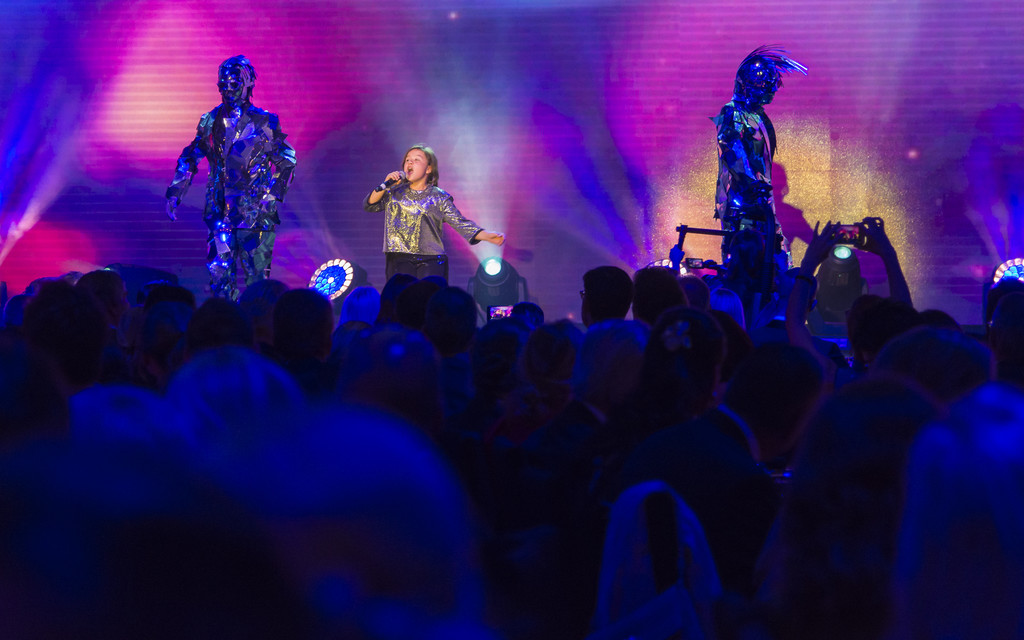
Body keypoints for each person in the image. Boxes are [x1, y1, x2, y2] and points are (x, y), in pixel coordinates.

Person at [165, 55, 297, 301]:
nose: (227, 90)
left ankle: (257, 323)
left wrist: (271, 196)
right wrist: (176, 192)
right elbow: (190, 156)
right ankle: (225, 322)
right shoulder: (210, 121)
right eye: (222, 85)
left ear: (247, 84)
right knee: (220, 279)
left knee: (258, 284)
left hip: (255, 217)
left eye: (233, 84)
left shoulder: (264, 122)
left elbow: (287, 159)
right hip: (220, 215)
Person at [713, 46, 807, 313]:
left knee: (772, 261)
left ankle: (768, 315)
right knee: (744, 262)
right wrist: (751, 185)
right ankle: (738, 315)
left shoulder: (758, 115)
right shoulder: (732, 112)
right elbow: (732, 149)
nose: (770, 94)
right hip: (743, 203)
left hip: (760, 203)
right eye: (764, 87)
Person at [364, 144, 504, 281]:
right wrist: (386, 185)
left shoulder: (439, 197)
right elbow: (370, 204)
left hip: (431, 260)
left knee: (430, 294)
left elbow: (459, 222)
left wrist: (486, 236)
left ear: (428, 168)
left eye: (416, 159)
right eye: (407, 160)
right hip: (398, 258)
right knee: (402, 295)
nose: (410, 162)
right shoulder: (394, 193)